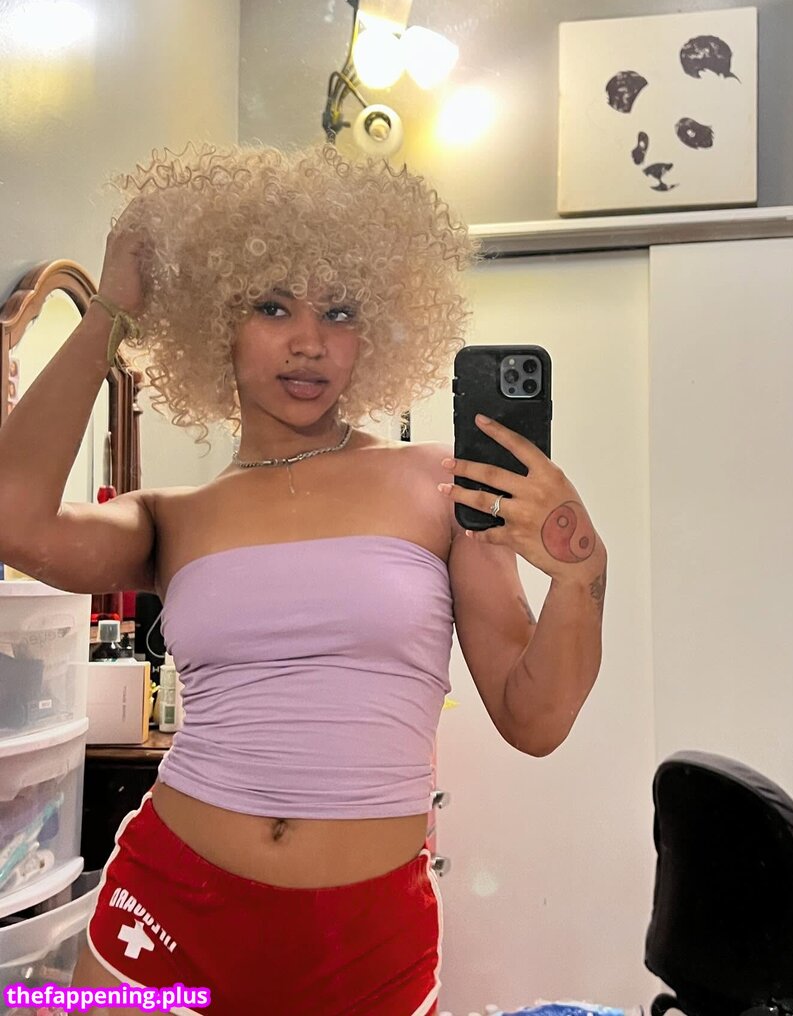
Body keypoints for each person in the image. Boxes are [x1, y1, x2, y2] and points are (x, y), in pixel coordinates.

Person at [0, 141, 608, 1016]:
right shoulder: (174, 515)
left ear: (377, 333)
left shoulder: (443, 485)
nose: (310, 343)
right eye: (272, 305)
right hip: (166, 914)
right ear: (219, 323)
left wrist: (582, 576)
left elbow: (534, 718)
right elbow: (16, 520)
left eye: (341, 311)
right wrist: (113, 307)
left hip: (365, 940)